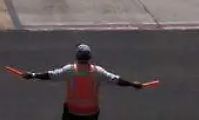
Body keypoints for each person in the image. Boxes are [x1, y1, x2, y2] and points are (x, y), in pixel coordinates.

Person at [20, 43, 149, 120]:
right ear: (89, 57)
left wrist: (32, 75)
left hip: (72, 112)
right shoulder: (98, 71)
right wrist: (133, 84)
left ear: (77, 56)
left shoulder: (70, 70)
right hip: (91, 112)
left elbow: (50, 75)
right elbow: (116, 80)